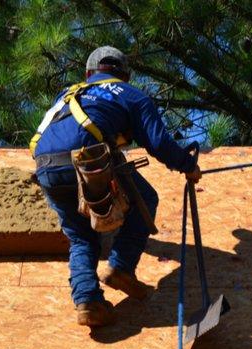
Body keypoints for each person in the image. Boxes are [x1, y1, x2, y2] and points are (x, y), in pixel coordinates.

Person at [32, 46, 201, 327]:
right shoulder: (132, 95)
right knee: (145, 197)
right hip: (88, 160)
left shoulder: (67, 94)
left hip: (46, 167)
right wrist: (188, 166)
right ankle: (121, 267)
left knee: (81, 237)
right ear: (125, 75)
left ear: (89, 74)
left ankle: (89, 302)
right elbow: (158, 143)